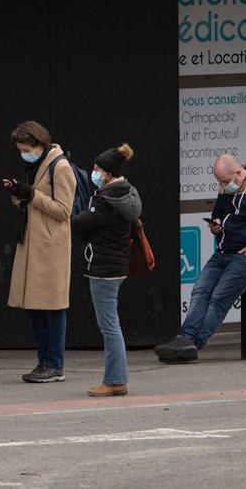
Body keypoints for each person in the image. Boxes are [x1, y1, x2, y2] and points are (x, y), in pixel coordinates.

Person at [154, 154, 246, 363]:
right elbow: (220, 214)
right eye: (220, 182)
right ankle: (184, 339)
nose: (223, 186)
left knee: (219, 299)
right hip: (224, 251)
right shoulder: (226, 186)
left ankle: (193, 344)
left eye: (225, 181)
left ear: (238, 172)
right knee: (200, 291)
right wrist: (216, 226)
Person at [3, 121, 75, 384]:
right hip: (33, 243)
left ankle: (54, 363)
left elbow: (63, 210)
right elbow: (33, 199)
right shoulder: (36, 165)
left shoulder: (60, 166)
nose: (23, 153)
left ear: (39, 144)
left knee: (53, 307)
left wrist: (31, 194)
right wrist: (18, 193)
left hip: (50, 247)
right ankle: (44, 361)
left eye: (25, 148)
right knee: (33, 305)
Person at [70, 143, 141, 398]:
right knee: (111, 324)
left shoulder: (106, 201)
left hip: (103, 268)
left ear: (109, 173)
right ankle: (115, 378)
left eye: (97, 169)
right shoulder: (127, 194)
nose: (94, 172)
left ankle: (115, 380)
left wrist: (75, 209)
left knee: (109, 326)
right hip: (116, 265)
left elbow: (79, 224)